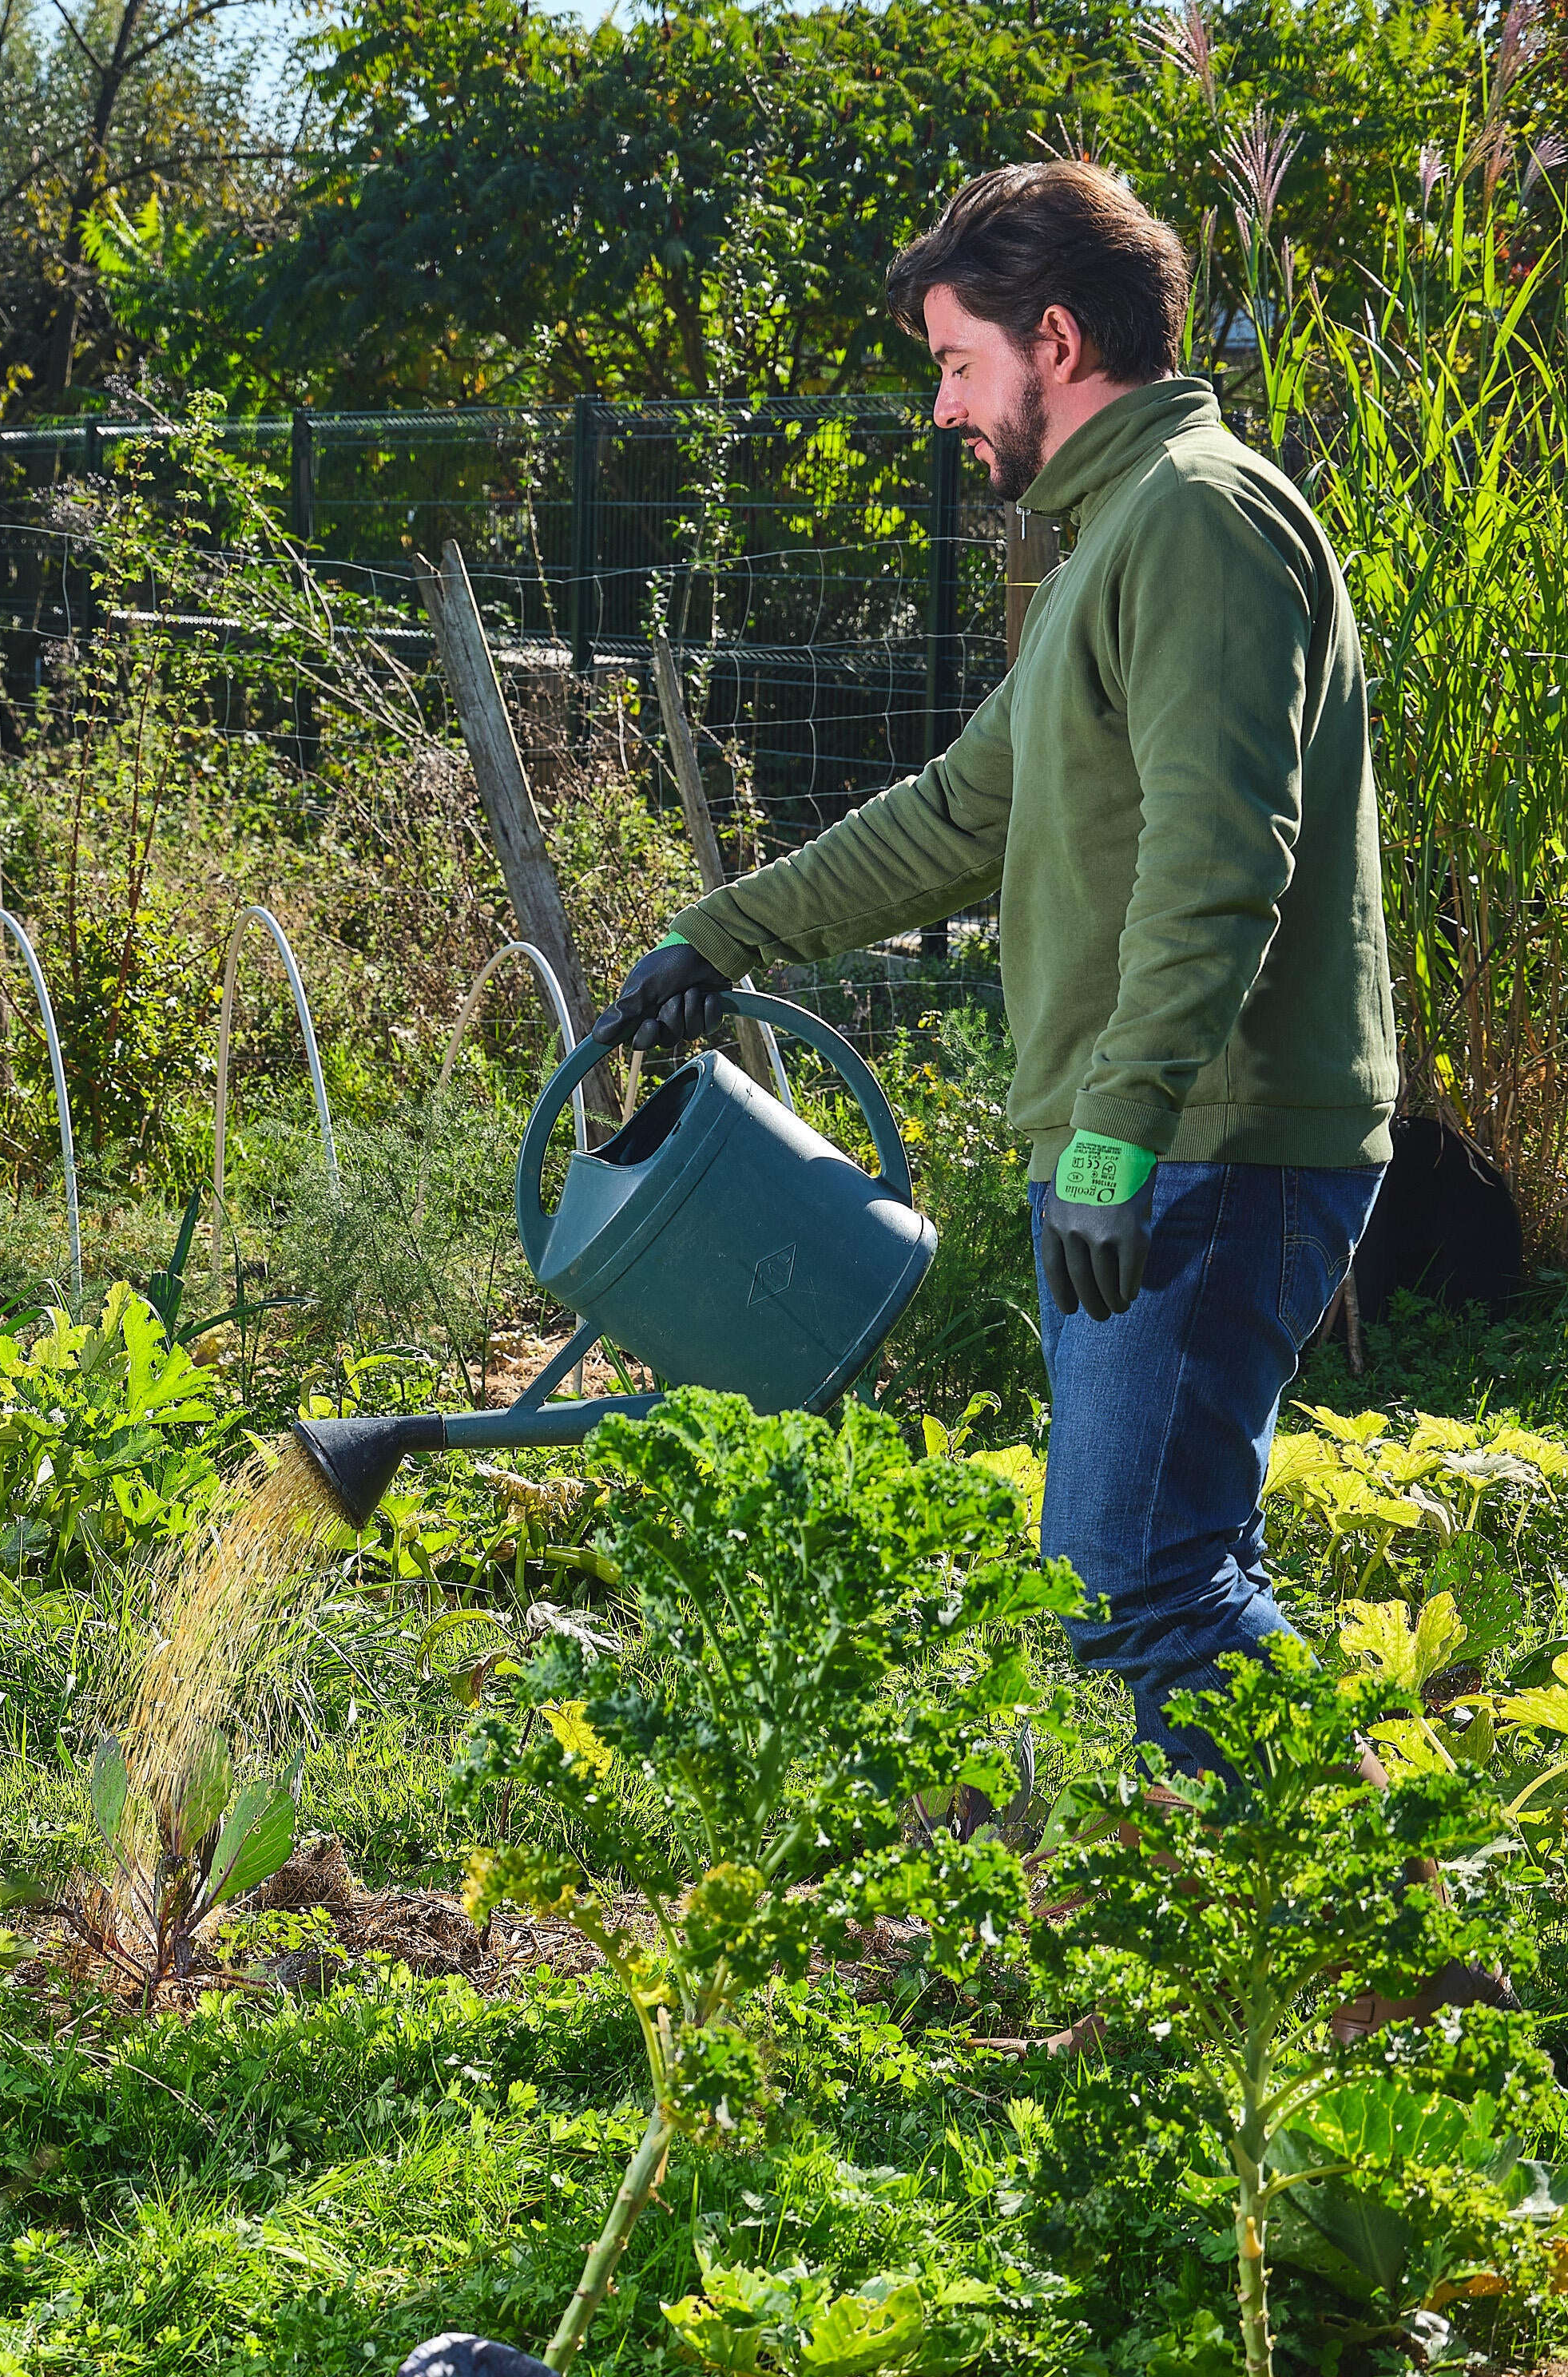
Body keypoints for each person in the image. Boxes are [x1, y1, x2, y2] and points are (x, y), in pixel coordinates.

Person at [596, 161, 1395, 1780]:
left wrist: (1118, 1128)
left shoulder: (1197, 521)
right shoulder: (1120, 533)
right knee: (1170, 1567)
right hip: (1156, 1147)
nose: (946, 410)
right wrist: (720, 933)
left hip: (1201, 1149)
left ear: (1055, 336)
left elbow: (1222, 861)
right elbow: (967, 809)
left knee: (1143, 1591)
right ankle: (1327, 1931)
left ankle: (1401, 1933)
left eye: (958, 365)